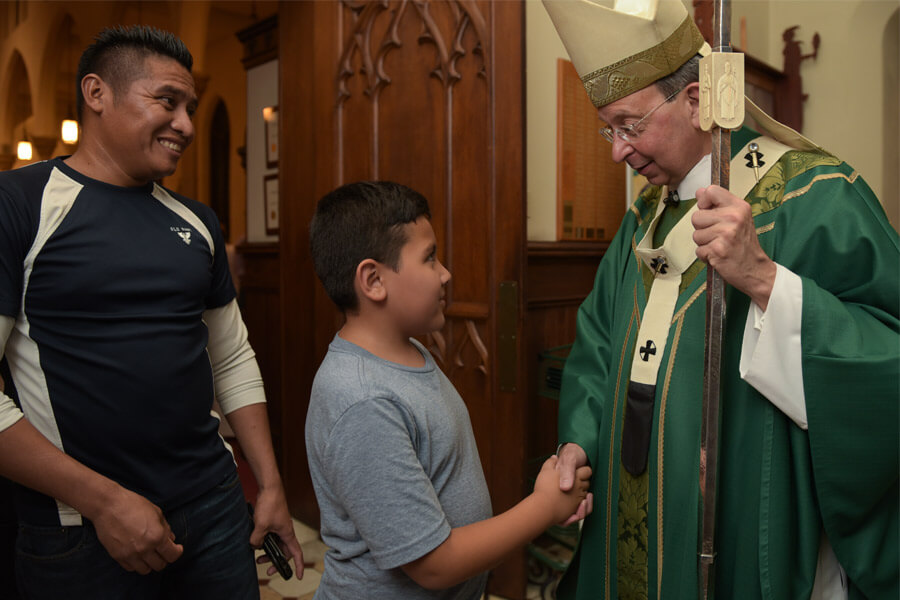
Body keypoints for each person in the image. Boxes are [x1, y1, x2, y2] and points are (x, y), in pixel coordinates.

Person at [542, 1, 899, 599]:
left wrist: (763, 279)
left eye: (629, 126)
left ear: (695, 100)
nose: (617, 151)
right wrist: (579, 440)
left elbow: (885, 361)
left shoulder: (817, 196)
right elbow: (599, 342)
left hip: (741, 521)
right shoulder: (644, 215)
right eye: (609, 129)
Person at [0, 25, 303, 598]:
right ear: (97, 93)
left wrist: (269, 485)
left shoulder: (197, 221)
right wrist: (104, 502)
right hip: (82, 528)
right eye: (167, 101)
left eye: (190, 108)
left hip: (214, 507)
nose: (185, 124)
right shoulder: (20, 205)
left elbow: (231, 358)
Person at [306, 181, 593, 599]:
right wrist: (543, 508)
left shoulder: (411, 350)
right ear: (373, 280)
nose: (445, 273)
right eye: (430, 258)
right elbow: (433, 565)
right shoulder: (363, 401)